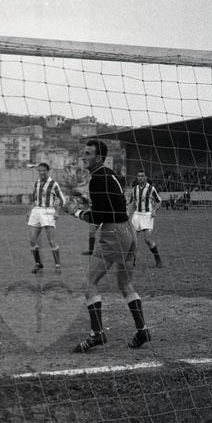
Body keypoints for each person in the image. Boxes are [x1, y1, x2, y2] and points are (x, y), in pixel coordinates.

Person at [64, 140, 151, 352]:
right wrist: (82, 200)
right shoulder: (110, 174)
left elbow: (99, 216)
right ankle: (142, 331)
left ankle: (97, 334)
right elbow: (107, 205)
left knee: (90, 284)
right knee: (125, 284)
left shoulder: (97, 180)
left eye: (88, 153)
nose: (83, 156)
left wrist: (74, 212)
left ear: (99, 157)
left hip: (113, 233)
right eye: (84, 153)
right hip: (128, 230)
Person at [27, 162, 65, 273]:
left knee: (51, 240)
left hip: (48, 211)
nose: (41, 172)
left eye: (43, 170)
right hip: (36, 211)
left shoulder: (53, 184)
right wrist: (29, 211)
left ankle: (57, 265)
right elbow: (35, 199)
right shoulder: (37, 183)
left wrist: (57, 212)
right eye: (39, 170)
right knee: (32, 240)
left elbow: (62, 199)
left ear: (48, 171)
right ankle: (38, 264)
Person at [128, 171, 163, 268]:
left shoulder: (151, 189)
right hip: (137, 215)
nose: (140, 178)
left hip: (147, 215)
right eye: (138, 176)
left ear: (146, 177)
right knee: (133, 240)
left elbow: (159, 201)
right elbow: (132, 203)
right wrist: (128, 213)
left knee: (147, 239)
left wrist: (154, 210)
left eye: (142, 176)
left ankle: (158, 259)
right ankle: (132, 261)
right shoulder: (134, 189)